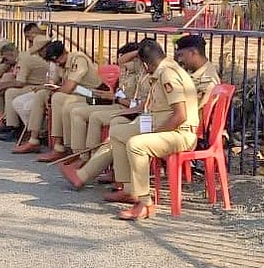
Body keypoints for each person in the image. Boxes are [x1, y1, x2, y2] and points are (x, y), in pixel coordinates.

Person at [60, 39, 198, 217]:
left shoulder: (168, 75)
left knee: (136, 144)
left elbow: (180, 116)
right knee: (117, 133)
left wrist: (154, 134)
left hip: (180, 133)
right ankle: (128, 189)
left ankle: (145, 202)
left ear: (146, 63)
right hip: (161, 124)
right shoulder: (162, 70)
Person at [15, 40, 105, 160]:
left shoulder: (78, 59)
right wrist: (49, 87)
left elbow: (68, 88)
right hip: (78, 92)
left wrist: (55, 92)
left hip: (93, 94)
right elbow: (54, 81)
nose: (56, 63)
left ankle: (59, 147)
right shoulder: (59, 64)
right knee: (42, 94)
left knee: (57, 98)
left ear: (64, 53)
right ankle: (34, 139)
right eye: (54, 61)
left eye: (57, 59)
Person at [65, 41, 144, 167]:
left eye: (129, 60)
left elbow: (137, 104)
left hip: (130, 110)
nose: (122, 64)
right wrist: (112, 96)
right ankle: (80, 154)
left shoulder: (142, 75)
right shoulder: (127, 72)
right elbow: (121, 67)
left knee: (95, 117)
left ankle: (93, 161)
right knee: (76, 112)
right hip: (114, 102)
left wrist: (115, 98)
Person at [0, 39, 51, 142]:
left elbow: (20, 83)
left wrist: (3, 85)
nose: (6, 62)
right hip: (33, 84)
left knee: (11, 92)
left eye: (6, 59)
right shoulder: (21, 58)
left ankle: (13, 127)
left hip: (38, 85)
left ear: (11, 54)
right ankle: (10, 123)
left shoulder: (23, 60)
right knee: (10, 89)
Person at [173, 34, 221, 107]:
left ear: (193, 52)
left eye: (181, 55)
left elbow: (199, 113)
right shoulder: (193, 71)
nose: (179, 60)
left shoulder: (207, 82)